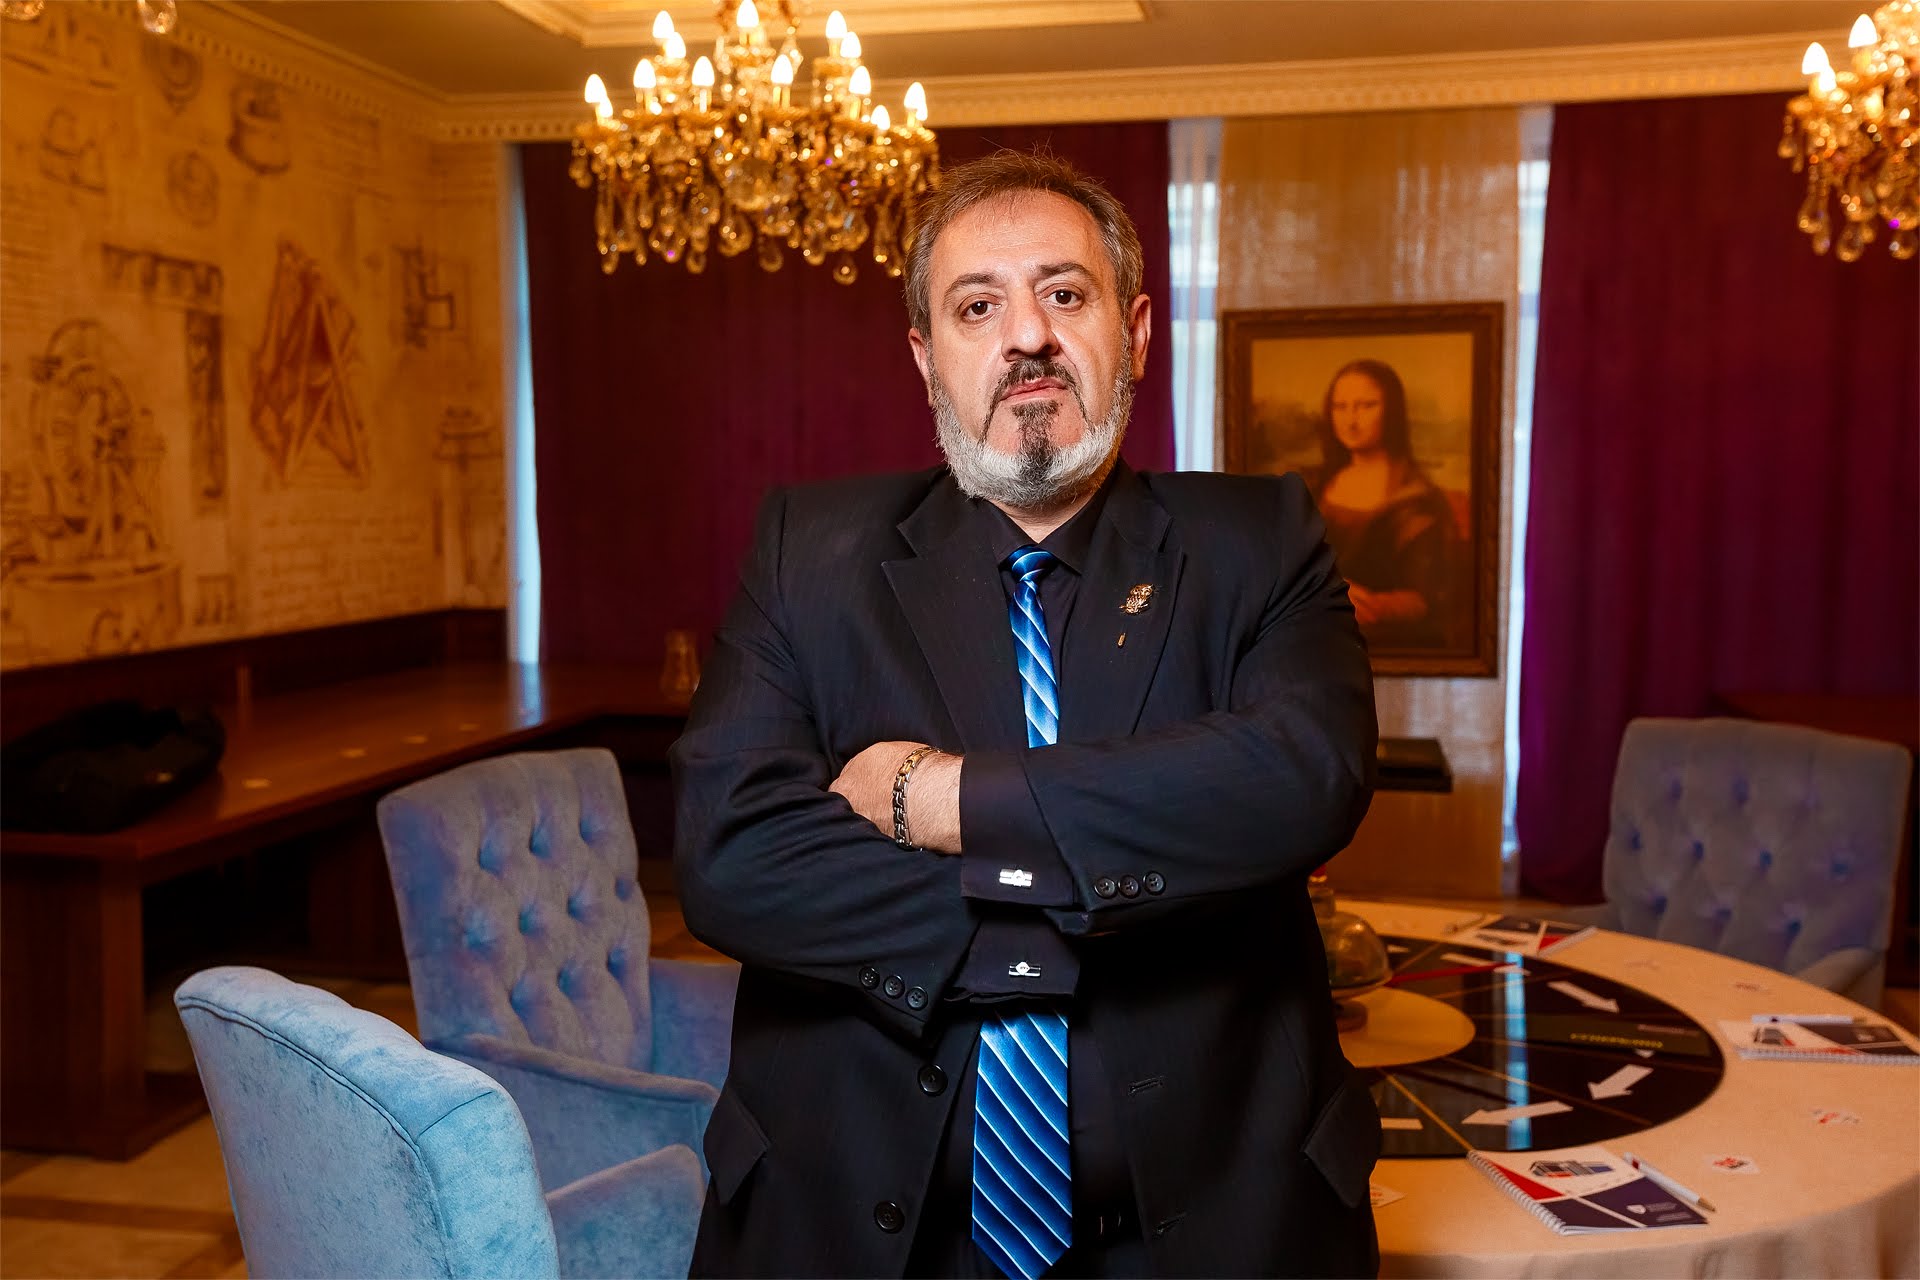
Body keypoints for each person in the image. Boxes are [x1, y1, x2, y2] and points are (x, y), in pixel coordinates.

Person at [671, 150, 1381, 1279]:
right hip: (857, 1238)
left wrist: (944, 797)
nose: (1027, 338)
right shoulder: (809, 552)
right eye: (977, 306)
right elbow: (733, 855)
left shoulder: (1259, 540)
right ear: (926, 357)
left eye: (1064, 293)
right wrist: (1092, 909)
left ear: (1134, 333)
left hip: (1213, 1235)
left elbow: (1299, 775)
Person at [1310, 359, 1460, 652]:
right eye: (1340, 407)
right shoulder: (1315, 488)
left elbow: (1428, 597)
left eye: (1366, 406)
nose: (1351, 420)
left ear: (1392, 411)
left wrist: (1371, 605)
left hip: (1385, 644)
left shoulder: (1418, 502)